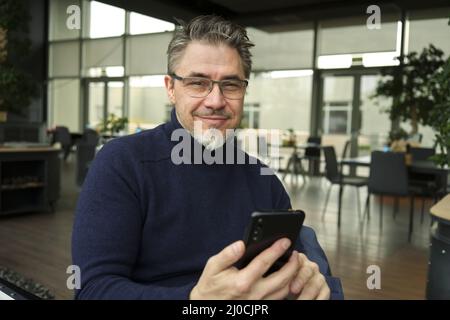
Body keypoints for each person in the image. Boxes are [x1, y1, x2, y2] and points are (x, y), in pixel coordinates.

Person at [72, 15, 343, 300]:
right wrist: (196, 301)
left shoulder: (264, 181)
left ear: (243, 92)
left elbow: (290, 270)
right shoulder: (122, 164)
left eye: (231, 85)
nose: (215, 101)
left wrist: (309, 280)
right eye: (198, 83)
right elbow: (92, 290)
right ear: (170, 88)